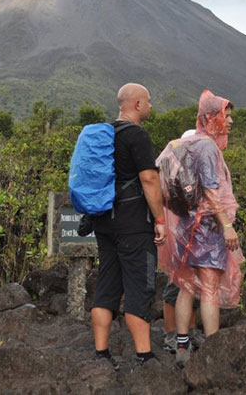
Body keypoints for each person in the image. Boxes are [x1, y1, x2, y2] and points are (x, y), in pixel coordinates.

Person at [159, 90, 243, 366]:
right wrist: (227, 226)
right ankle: (212, 349)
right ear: (210, 117)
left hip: (185, 226)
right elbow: (210, 190)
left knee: (186, 285)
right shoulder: (206, 147)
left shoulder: (185, 144)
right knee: (208, 288)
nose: (229, 122)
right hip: (205, 227)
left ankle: (182, 345)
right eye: (225, 116)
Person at [90, 83, 167, 369]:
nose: (151, 106)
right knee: (139, 286)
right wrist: (160, 220)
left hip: (104, 222)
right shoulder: (137, 135)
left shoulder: (104, 134)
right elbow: (149, 179)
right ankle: (144, 357)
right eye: (148, 101)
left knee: (107, 282)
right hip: (134, 224)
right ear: (137, 104)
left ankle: (101, 354)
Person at [161, 130, 202, 354]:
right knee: (175, 285)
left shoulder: (201, 168)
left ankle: (191, 330)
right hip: (180, 233)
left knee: (194, 285)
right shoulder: (173, 170)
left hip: (200, 235)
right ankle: (170, 334)